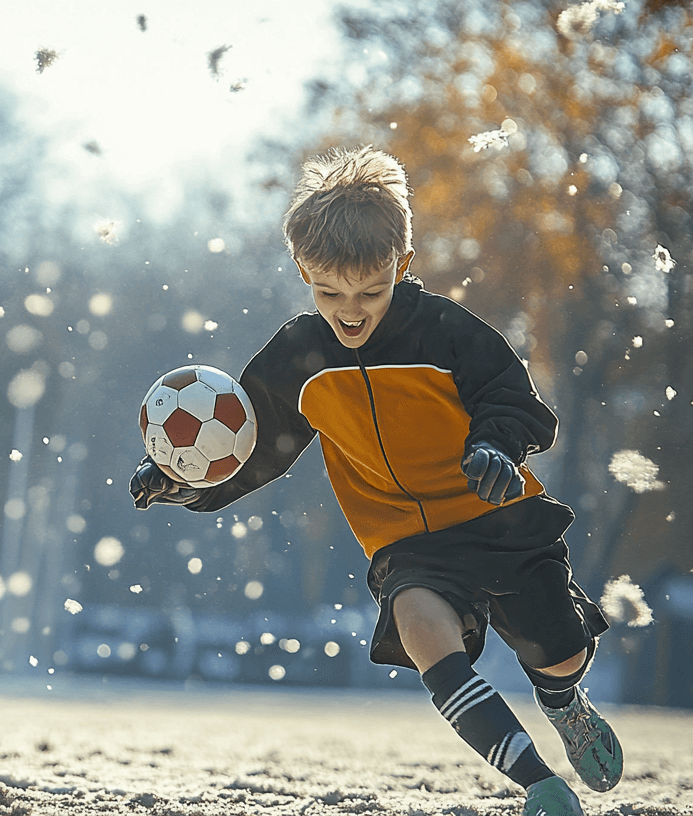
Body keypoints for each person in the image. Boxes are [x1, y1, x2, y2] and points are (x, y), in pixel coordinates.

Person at [130, 146, 618, 816]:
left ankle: (563, 701)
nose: (350, 311)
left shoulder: (446, 331)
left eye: (370, 292)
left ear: (402, 265)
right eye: (329, 293)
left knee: (558, 654)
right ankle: (541, 785)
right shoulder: (298, 356)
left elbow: (515, 402)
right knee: (424, 635)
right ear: (304, 271)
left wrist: (495, 448)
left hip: (495, 515)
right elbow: (251, 447)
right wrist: (184, 483)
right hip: (405, 542)